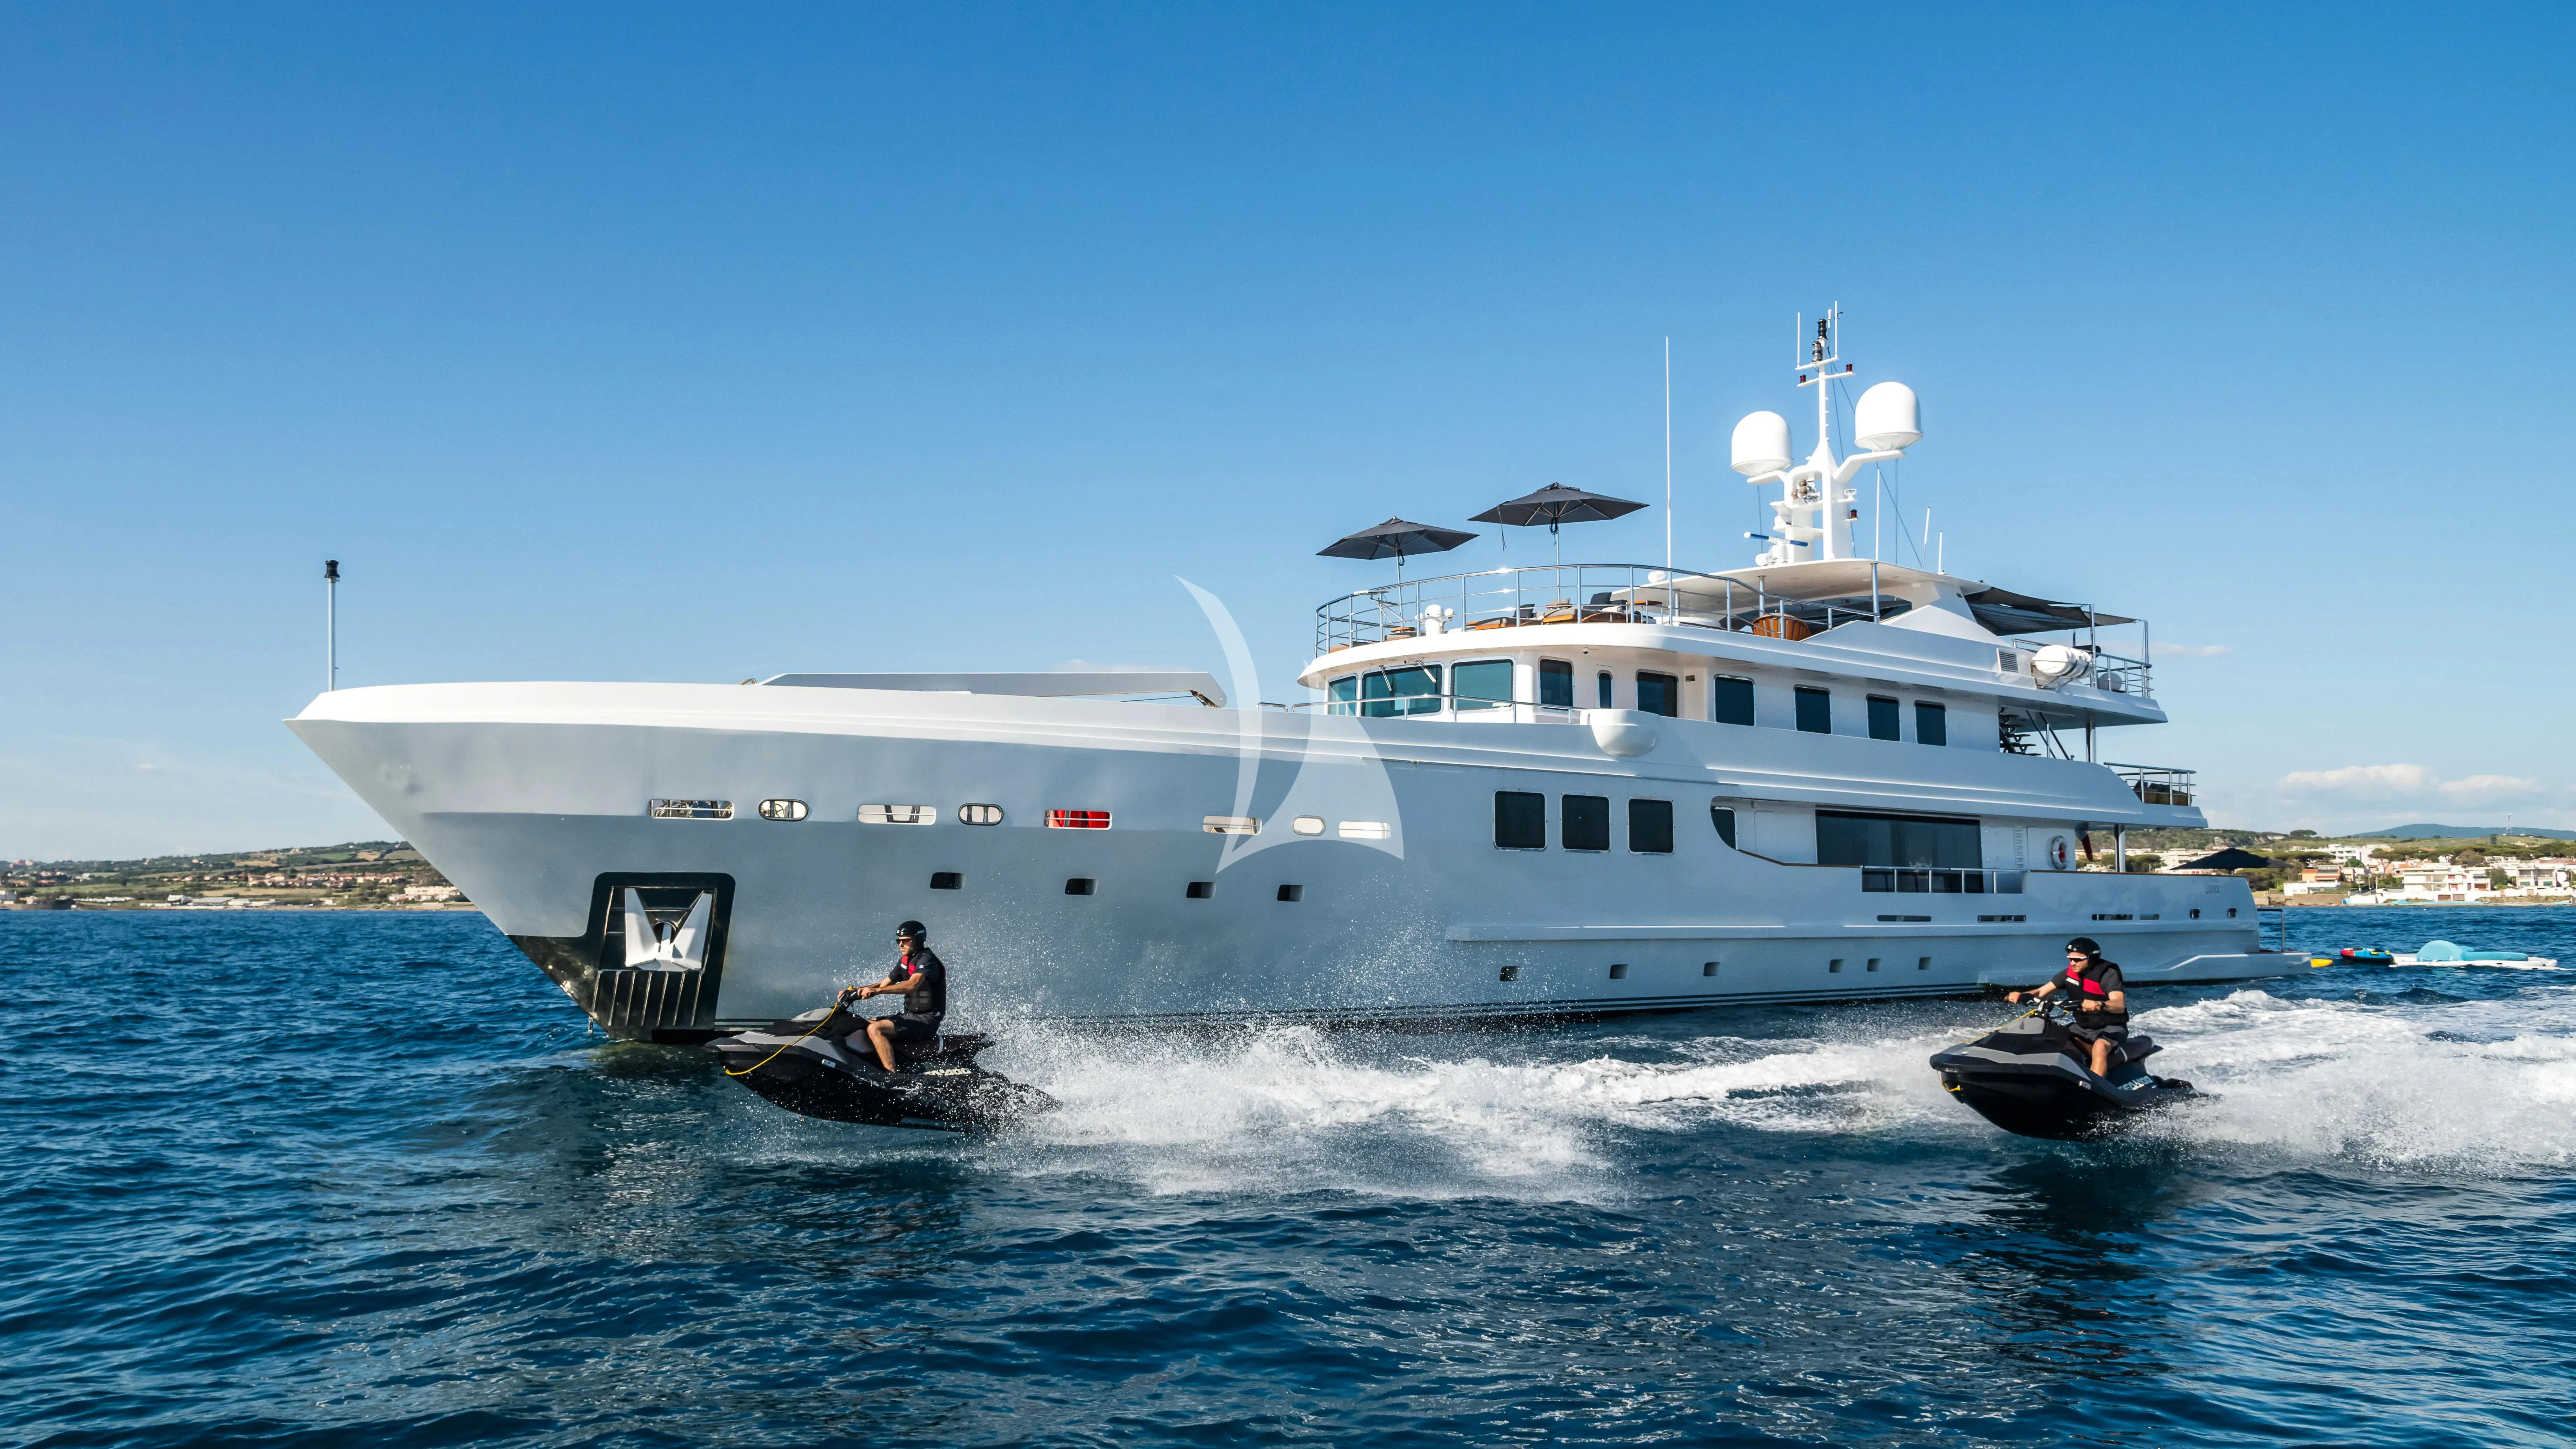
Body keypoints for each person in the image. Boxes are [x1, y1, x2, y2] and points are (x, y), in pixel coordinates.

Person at [2007, 936, 2128, 1077]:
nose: (2073, 963)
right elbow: (2041, 992)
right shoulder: (2068, 974)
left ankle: (2096, 1088)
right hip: (2083, 1028)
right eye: (2070, 959)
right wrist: (2021, 995)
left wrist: (2099, 1004)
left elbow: (2119, 1005)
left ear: (2092, 959)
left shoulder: (2108, 974)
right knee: (2052, 1036)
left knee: (2100, 1047)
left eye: (2078, 960)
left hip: (2112, 1027)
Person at [839, 920, 947, 1073]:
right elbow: (883, 984)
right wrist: (855, 991)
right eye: (899, 941)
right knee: (861, 1024)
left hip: (927, 1020)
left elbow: (912, 985)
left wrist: (877, 992)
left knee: (876, 1029)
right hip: (909, 1016)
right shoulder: (904, 962)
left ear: (918, 940)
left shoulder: (927, 960)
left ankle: (892, 1075)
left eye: (906, 941)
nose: (901, 945)